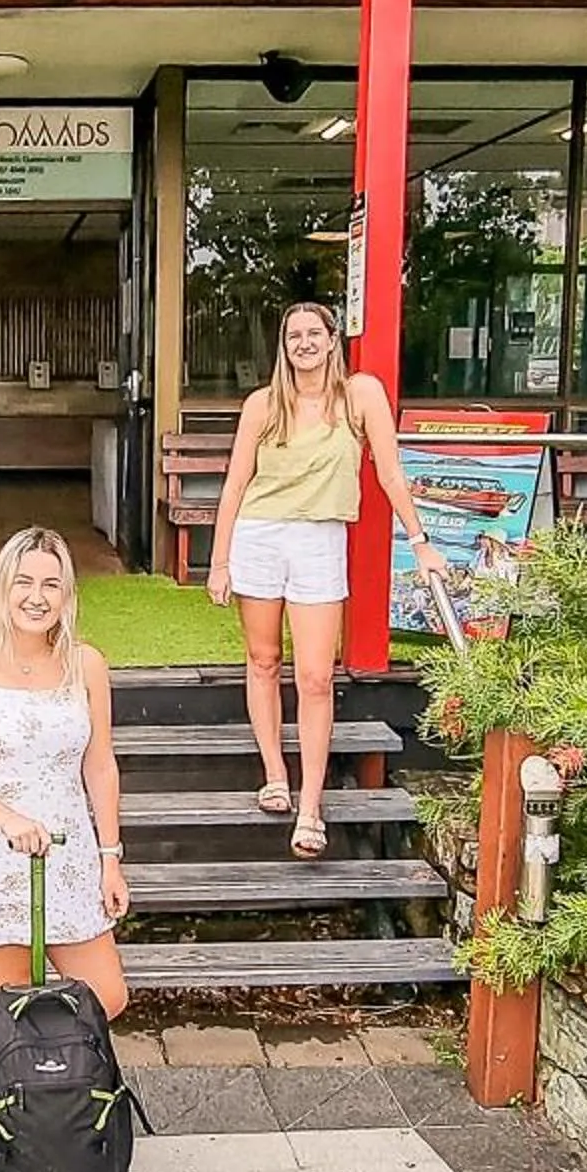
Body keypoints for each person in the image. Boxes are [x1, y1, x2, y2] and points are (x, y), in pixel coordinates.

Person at [206, 300, 449, 857]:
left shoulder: (360, 395)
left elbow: (389, 472)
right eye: (295, 335)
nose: (305, 343)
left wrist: (420, 540)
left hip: (320, 539)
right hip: (260, 536)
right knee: (264, 660)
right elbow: (236, 484)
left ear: (332, 339)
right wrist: (220, 561)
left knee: (315, 676)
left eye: (314, 333)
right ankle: (274, 773)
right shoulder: (263, 405)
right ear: (284, 345)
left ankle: (311, 804)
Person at [0, 527, 130, 1018]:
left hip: (70, 852)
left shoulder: (86, 665)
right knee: (10, 1009)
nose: (36, 598)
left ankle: (60, 1079)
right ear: (2, 588)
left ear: (67, 595)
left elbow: (100, 765)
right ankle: (19, 1089)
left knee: (107, 996)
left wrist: (110, 858)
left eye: (51, 585)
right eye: (24, 583)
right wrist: (8, 819)